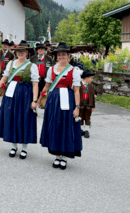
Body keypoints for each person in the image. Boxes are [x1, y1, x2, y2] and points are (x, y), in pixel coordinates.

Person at [40, 42, 82, 170]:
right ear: (56, 56)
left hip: (67, 101)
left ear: (68, 56)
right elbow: (47, 86)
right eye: (59, 55)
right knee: (55, 126)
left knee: (65, 126)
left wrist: (77, 107)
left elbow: (76, 90)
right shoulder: (51, 69)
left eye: (64, 54)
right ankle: (57, 154)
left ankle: (64, 156)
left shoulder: (73, 71)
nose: (61, 57)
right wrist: (41, 98)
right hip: (53, 101)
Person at [0, 40, 39, 159]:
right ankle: (13, 145)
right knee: (11, 117)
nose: (21, 53)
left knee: (25, 119)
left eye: (23, 51)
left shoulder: (32, 66)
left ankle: (24, 147)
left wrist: (34, 100)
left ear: (27, 52)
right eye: (19, 51)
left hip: (25, 95)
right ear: (16, 52)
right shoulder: (11, 64)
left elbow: (35, 84)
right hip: (11, 94)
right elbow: (4, 78)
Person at [0, 39, 14, 111]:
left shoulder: (11, 55)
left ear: (8, 46)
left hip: (6, 74)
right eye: (4, 44)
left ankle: (4, 104)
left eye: (6, 45)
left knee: (4, 88)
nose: (5, 45)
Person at [79, 70, 96, 138]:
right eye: (91, 78)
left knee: (87, 117)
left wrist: (93, 106)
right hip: (81, 104)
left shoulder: (91, 87)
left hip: (88, 104)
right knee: (80, 116)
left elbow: (93, 97)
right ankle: (80, 129)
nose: (92, 79)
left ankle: (86, 130)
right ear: (86, 78)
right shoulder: (79, 85)